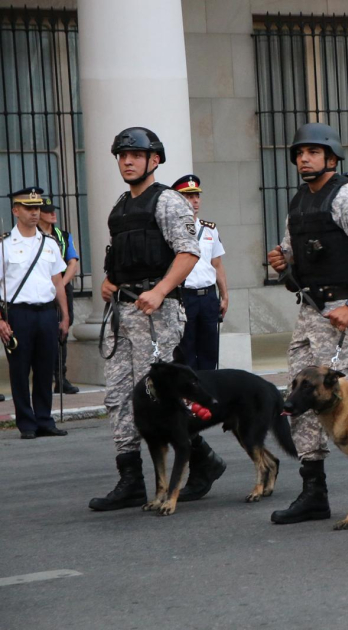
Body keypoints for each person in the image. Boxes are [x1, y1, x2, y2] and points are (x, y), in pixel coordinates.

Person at [266, 122, 348, 525]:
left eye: (312, 152)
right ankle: (314, 492)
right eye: (299, 153)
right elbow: (292, 255)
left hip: (343, 309)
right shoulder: (299, 201)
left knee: (345, 404)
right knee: (299, 400)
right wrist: (282, 262)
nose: (304, 158)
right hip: (310, 311)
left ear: (331, 157)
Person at [89, 127, 206, 511]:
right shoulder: (121, 206)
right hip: (123, 313)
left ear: (154, 160)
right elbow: (119, 258)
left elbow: (188, 253)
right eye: (122, 156)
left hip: (157, 312)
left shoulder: (169, 201)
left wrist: (159, 291)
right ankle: (130, 479)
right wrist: (108, 283)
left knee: (157, 397)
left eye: (135, 155)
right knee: (118, 397)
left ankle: (202, 461)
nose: (127, 161)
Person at [0, 187, 70, 439]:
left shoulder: (49, 243)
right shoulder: (5, 245)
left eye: (37, 208)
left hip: (46, 313)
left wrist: (65, 314)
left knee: (45, 368)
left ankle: (44, 419)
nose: (34, 213)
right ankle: (27, 423)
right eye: (28, 208)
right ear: (15, 210)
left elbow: (57, 281)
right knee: (20, 369)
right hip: (18, 314)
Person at [173, 175, 229, 370]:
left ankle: (206, 395)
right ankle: (188, 395)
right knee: (186, 348)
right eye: (189, 196)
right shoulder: (172, 231)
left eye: (197, 195)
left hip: (207, 296)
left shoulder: (209, 229)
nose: (195, 201)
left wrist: (224, 295)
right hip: (184, 296)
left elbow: (217, 264)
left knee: (209, 349)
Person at [39, 197, 80, 394]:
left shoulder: (63, 235)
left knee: (62, 331)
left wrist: (61, 285)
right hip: (40, 290)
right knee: (42, 333)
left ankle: (60, 378)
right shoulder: (32, 235)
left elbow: (72, 262)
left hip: (62, 287)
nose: (53, 213)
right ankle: (44, 376)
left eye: (53, 209)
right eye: (47, 210)